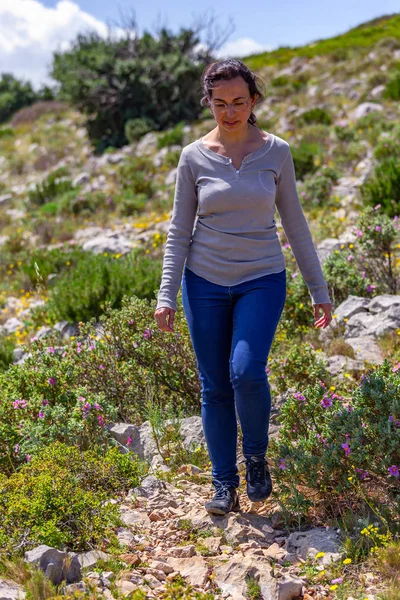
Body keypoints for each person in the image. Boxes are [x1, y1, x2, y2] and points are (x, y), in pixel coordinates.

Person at [154, 58, 332, 516]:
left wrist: (318, 288)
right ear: (208, 103)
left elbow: (294, 222)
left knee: (246, 371)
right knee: (213, 385)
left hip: (262, 277)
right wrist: (165, 293)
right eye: (219, 104)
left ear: (253, 101)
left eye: (238, 102)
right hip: (204, 281)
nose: (229, 112)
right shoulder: (193, 156)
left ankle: (255, 458)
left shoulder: (277, 152)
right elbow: (179, 230)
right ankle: (222, 483)